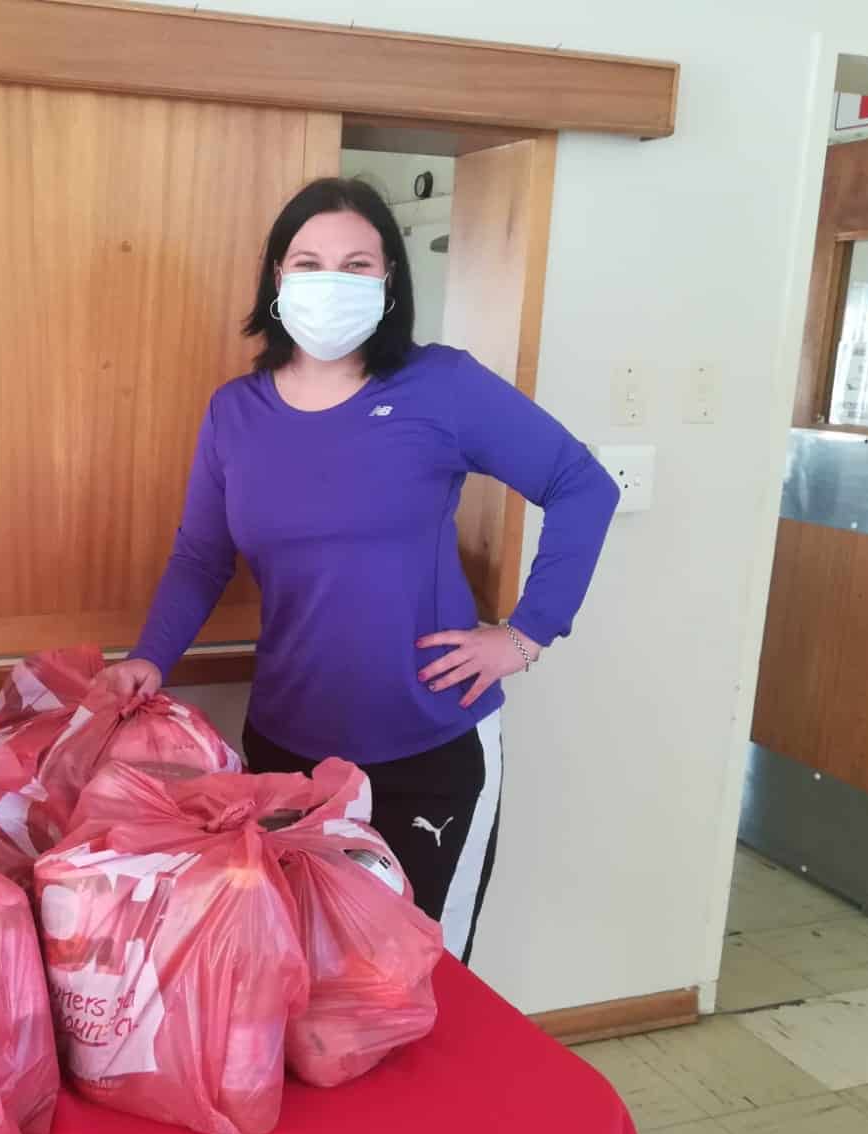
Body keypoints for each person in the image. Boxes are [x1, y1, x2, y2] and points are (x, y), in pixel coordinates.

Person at [98, 177, 618, 963]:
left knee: (422, 979)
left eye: (356, 264)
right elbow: (202, 556)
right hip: (287, 749)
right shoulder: (235, 412)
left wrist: (526, 634)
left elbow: (582, 484)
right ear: (278, 278)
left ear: (388, 280)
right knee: (299, 975)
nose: (330, 281)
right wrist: (151, 657)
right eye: (309, 263)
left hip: (429, 747)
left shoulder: (441, 386)